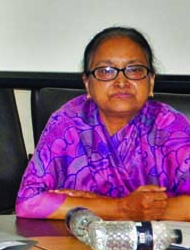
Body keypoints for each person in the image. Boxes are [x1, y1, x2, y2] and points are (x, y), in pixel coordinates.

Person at [17, 26, 190, 220]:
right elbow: (28, 203)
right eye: (106, 71)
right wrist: (121, 208)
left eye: (134, 70)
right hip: (77, 245)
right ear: (87, 83)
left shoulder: (170, 125)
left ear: (150, 82)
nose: (121, 81)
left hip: (157, 245)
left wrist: (140, 209)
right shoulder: (68, 123)